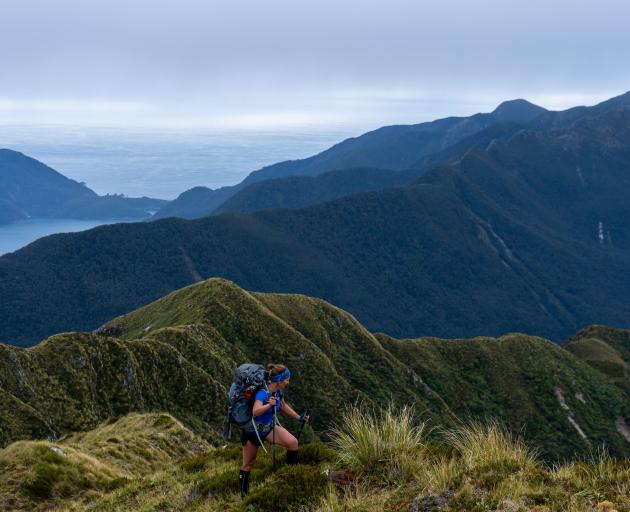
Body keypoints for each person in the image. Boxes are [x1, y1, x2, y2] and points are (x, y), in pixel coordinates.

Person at [239, 363, 309, 496]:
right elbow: (255, 411)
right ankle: (244, 496)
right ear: (279, 381)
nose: (288, 382)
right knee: (247, 465)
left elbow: (282, 406)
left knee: (293, 442)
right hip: (253, 432)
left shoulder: (278, 391)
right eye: (287, 380)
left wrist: (298, 417)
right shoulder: (262, 393)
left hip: (268, 428)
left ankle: (291, 480)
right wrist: (268, 405)